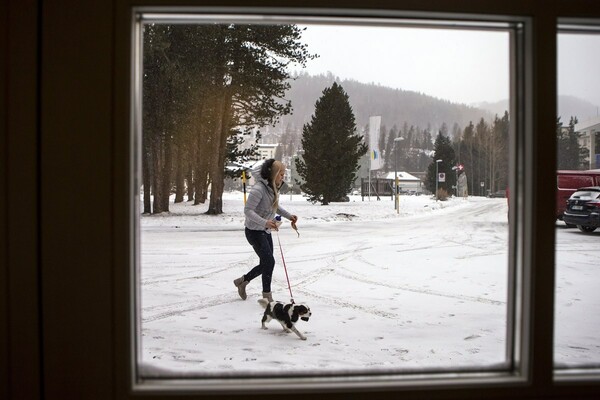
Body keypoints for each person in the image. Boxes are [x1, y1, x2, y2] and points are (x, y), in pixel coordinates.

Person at [233, 159, 298, 302]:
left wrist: (289, 216)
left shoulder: (271, 188)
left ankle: (243, 281)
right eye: (281, 174)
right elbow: (248, 210)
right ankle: (267, 297)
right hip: (254, 232)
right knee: (268, 262)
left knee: (268, 262)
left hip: (265, 231)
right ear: (274, 175)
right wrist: (265, 222)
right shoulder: (259, 190)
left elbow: (275, 206)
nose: (283, 177)